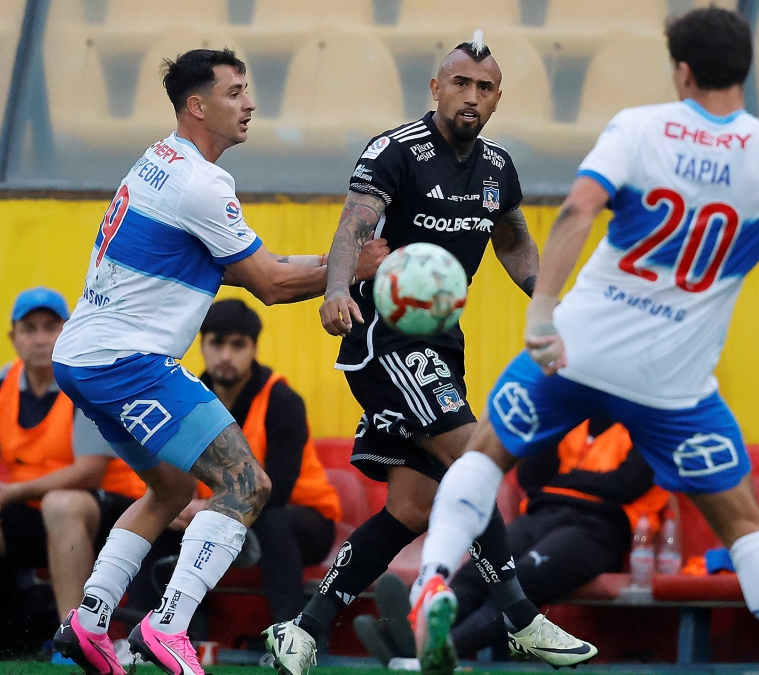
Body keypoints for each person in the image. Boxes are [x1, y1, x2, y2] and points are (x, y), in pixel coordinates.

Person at [402, 8, 759, 675]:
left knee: (483, 456)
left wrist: (541, 308)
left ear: (682, 70)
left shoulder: (640, 127)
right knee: (744, 525)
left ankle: (435, 579)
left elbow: (578, 211)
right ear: (746, 69)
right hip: (673, 379)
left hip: (580, 345)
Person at [263, 32, 594, 675]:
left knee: (412, 508)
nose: (472, 97)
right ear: (436, 88)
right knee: (477, 457)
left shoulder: (498, 168)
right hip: (384, 337)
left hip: (442, 345)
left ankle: (304, 629)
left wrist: (554, 307)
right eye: (461, 83)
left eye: (485, 88)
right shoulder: (395, 152)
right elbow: (353, 225)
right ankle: (520, 617)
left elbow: (515, 243)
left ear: (498, 99)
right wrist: (335, 290)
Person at [48, 48, 384, 675]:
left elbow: (245, 267)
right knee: (246, 484)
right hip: (128, 361)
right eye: (234, 92)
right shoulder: (204, 183)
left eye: (247, 89)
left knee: (172, 487)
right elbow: (272, 285)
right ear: (197, 106)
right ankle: (166, 627)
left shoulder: (160, 162)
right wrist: (353, 269)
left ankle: (89, 624)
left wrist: (340, 267)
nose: (249, 103)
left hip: (85, 356)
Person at [0, 288, 145, 662]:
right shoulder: (0, 384)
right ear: (14, 338)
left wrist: (10, 492)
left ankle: (76, 638)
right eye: (29, 329)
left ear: (68, 330)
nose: (40, 338)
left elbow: (89, 472)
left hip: (109, 513)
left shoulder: (84, 378)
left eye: (50, 327)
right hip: (34, 511)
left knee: (61, 504)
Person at [358, 417, 666, 666]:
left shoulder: (645, 426)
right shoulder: (571, 419)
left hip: (599, 527)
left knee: (521, 582)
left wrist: (562, 481)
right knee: (477, 571)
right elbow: (531, 476)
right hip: (540, 515)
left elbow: (626, 485)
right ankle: (414, 643)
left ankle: (423, 653)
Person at [176, 299, 342, 623]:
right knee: (164, 519)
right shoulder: (188, 400)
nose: (225, 355)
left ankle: (290, 635)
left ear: (254, 349)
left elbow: (277, 489)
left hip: (305, 521)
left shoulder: (282, 400)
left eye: (237, 345)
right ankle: (170, 636)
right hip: (221, 518)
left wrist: (208, 509)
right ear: (202, 346)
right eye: (217, 343)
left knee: (272, 520)